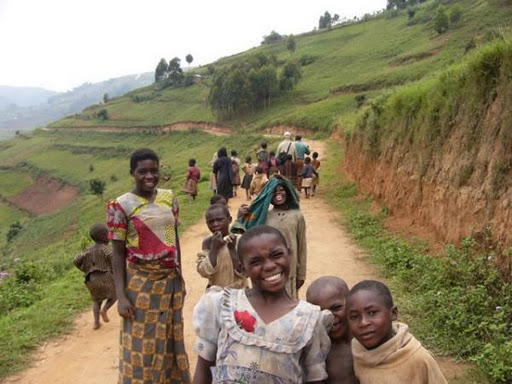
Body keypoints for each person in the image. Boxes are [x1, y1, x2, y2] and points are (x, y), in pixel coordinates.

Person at [192, 225, 331, 384]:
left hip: (169, 285)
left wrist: (171, 262)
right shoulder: (219, 303)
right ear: (242, 267)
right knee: (161, 335)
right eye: (212, 220)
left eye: (277, 255)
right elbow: (204, 368)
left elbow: (314, 376)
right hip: (158, 285)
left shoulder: (309, 319)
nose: (270, 265)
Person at [107, 148, 190, 383]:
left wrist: (180, 277)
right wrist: (121, 296)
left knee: (171, 339)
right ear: (132, 172)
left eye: (154, 170)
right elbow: (117, 254)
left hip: (169, 283)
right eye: (142, 171)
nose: (149, 176)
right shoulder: (121, 206)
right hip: (140, 285)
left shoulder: (168, 198)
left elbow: (173, 240)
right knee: (141, 344)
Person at [346, 280, 447, 384]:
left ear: (393, 313)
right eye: (354, 317)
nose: (363, 323)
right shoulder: (358, 353)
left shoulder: (418, 359)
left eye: (372, 313)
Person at [233, 175, 307, 299]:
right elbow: (247, 231)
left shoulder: (297, 216)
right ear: (268, 196)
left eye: (282, 190)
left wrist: (301, 275)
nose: (278, 193)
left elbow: (302, 247)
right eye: (274, 191)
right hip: (266, 271)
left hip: (290, 272)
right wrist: (241, 215)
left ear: (288, 192)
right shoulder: (263, 216)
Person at [307, 277, 359, 384]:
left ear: (351, 303)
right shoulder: (313, 351)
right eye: (321, 312)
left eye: (336, 308)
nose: (330, 317)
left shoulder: (367, 338)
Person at [73, 223, 117, 330]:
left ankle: (96, 323)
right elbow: (113, 258)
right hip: (106, 277)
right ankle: (105, 310)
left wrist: (84, 269)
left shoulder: (87, 250)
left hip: (91, 279)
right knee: (115, 295)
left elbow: (76, 260)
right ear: (104, 236)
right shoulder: (106, 249)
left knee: (96, 300)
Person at [196, 204, 248, 289]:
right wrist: (214, 248)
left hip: (239, 291)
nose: (215, 224)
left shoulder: (239, 240)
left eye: (220, 220)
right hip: (216, 294)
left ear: (229, 220)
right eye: (211, 222)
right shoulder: (208, 243)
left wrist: (232, 249)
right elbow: (204, 272)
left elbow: (244, 272)